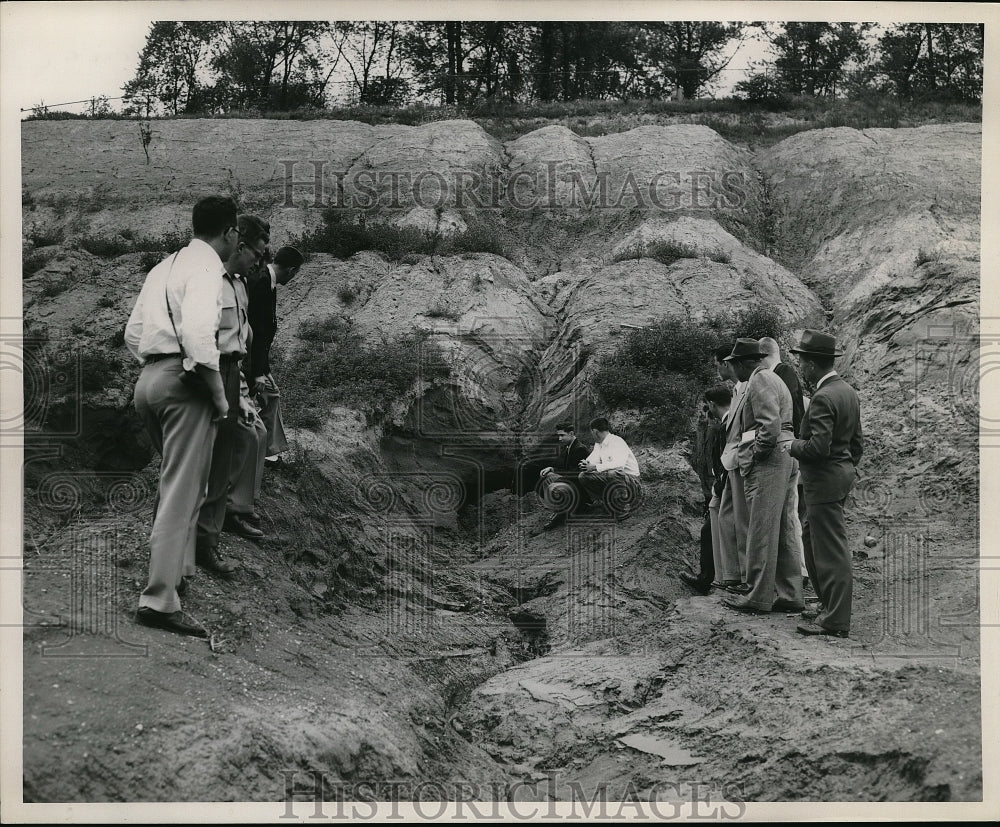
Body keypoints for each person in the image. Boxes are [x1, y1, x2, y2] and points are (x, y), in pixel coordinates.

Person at [124, 195, 238, 637]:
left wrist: (156, 366)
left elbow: (133, 333)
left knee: (180, 485)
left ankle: (180, 570)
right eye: (235, 235)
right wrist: (218, 395)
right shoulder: (209, 267)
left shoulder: (163, 266)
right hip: (183, 383)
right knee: (181, 490)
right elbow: (197, 333)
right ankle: (158, 600)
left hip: (149, 382)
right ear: (229, 232)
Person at [194, 214, 271, 573]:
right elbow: (202, 340)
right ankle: (194, 536)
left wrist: (240, 390)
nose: (260, 260)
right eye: (256, 252)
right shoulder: (208, 281)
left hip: (230, 371)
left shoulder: (239, 284)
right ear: (238, 245)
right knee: (205, 456)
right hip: (208, 370)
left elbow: (241, 340)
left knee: (237, 443)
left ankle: (215, 530)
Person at [721, 339, 803, 615]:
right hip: (784, 455)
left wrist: (756, 454)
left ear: (746, 363)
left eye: (733, 365)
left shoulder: (760, 380)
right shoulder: (771, 378)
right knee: (783, 528)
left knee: (760, 529)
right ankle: (790, 593)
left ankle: (757, 596)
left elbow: (769, 425)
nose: (732, 371)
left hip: (770, 460)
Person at [790, 330, 864, 638]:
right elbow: (857, 444)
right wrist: (842, 468)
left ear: (811, 364)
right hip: (837, 477)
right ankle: (827, 604)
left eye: (802, 362)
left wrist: (791, 445)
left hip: (823, 482)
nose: (801, 368)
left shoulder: (822, 397)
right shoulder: (846, 391)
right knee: (812, 539)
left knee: (831, 550)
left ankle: (835, 620)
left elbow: (817, 448)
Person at [248, 245, 304, 462]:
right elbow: (256, 329)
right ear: (291, 270)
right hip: (247, 358)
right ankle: (263, 452)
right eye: (296, 274)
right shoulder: (261, 282)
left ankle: (270, 451)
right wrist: (257, 370)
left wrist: (264, 368)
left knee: (271, 395)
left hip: (254, 359)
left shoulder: (266, 281)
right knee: (257, 400)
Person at [679, 383, 732, 595]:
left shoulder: (725, 425)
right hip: (726, 483)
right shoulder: (725, 422)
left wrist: (719, 485)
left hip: (728, 484)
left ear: (711, 404)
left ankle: (709, 579)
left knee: (710, 530)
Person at [716, 344, 750, 593]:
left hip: (743, 460)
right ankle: (733, 574)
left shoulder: (749, 387)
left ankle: (745, 577)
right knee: (727, 516)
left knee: (742, 521)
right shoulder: (737, 389)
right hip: (732, 462)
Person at [578, 417, 642, 519]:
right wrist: (586, 464)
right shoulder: (599, 444)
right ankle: (607, 502)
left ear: (595, 432)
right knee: (583, 476)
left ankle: (622, 507)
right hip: (615, 479)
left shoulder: (617, 442)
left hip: (631, 481)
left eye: (591, 432)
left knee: (613, 473)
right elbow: (593, 459)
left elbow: (619, 465)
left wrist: (594, 467)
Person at [536, 423, 592, 531]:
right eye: (559, 435)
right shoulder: (569, 447)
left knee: (553, 483)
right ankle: (561, 509)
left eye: (562, 435)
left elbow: (578, 475)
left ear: (571, 433)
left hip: (581, 489)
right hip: (573, 485)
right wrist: (552, 469)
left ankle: (564, 512)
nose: (559, 438)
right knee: (547, 477)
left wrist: (557, 479)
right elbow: (565, 468)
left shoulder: (579, 449)